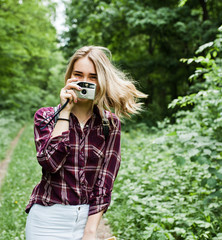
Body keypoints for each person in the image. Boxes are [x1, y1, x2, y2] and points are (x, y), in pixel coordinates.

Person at [25, 46, 147, 240]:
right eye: (78, 74)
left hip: (86, 221)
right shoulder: (46, 116)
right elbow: (50, 163)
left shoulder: (110, 124)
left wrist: (90, 231)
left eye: (93, 77)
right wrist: (64, 112)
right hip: (46, 221)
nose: (85, 82)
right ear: (69, 77)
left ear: (101, 81)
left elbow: (105, 181)